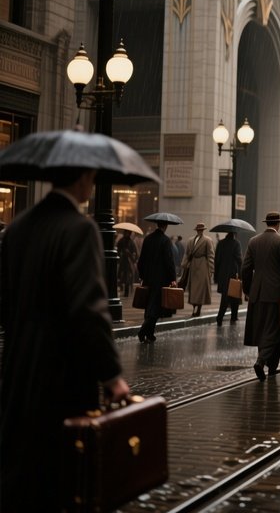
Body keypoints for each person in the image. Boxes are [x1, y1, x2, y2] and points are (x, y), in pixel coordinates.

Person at [0, 167, 130, 511]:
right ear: (82, 179)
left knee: (22, 473)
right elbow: (89, 309)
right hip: (61, 376)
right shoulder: (79, 229)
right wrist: (113, 376)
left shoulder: (16, 229)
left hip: (18, 370)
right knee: (62, 475)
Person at [243, 211, 280, 379]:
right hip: (276, 293)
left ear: (266, 223)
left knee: (261, 328)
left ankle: (272, 367)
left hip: (257, 293)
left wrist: (247, 290)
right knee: (274, 329)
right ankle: (261, 362)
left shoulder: (253, 241)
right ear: (278, 224)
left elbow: (245, 268)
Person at [137, 219, 178, 342]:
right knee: (155, 308)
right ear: (165, 226)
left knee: (148, 305)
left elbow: (141, 260)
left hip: (148, 278)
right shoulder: (166, 241)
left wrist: (142, 275)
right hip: (161, 279)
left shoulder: (148, 239)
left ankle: (150, 334)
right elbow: (169, 261)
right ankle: (143, 331)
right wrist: (173, 278)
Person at [182, 222, 215, 316]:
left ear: (203, 230)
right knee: (193, 289)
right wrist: (184, 265)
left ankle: (198, 308)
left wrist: (211, 269)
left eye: (201, 230)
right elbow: (187, 253)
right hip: (193, 266)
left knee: (200, 289)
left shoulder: (207, 240)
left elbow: (211, 255)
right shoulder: (190, 240)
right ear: (196, 230)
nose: (199, 231)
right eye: (198, 230)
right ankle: (194, 307)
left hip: (203, 266)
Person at [215, 230, 243, 326]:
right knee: (234, 296)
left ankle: (220, 317)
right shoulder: (236, 244)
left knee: (225, 297)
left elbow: (217, 260)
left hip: (222, 275)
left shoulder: (221, 243)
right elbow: (239, 260)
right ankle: (233, 317)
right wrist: (241, 274)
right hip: (233, 274)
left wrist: (216, 276)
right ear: (234, 234)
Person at [117, 230, 138, 296]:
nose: (127, 234)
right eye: (126, 232)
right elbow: (118, 250)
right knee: (121, 275)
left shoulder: (131, 242)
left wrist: (129, 253)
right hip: (122, 261)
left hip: (128, 263)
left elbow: (135, 253)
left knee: (128, 277)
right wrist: (121, 253)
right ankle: (121, 286)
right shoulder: (121, 241)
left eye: (128, 233)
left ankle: (126, 290)